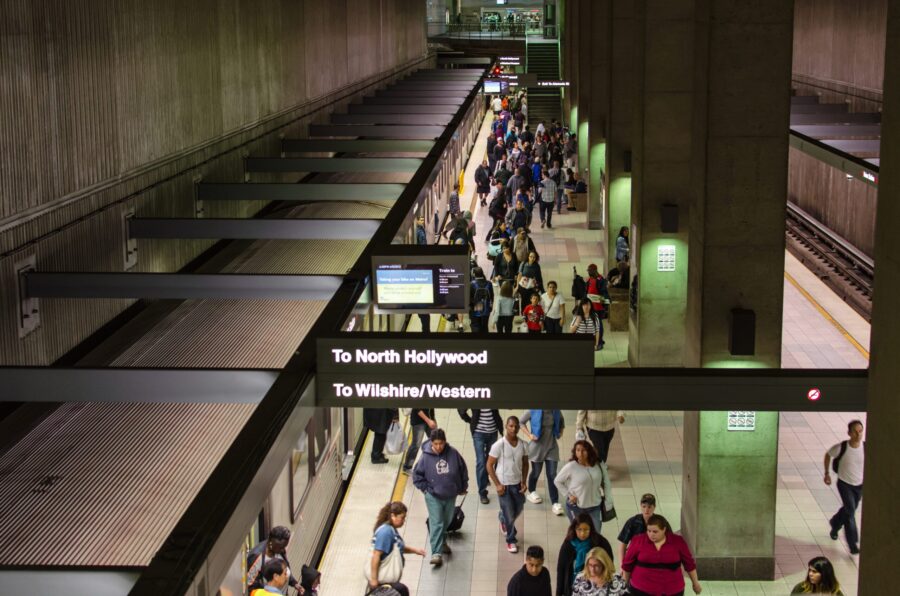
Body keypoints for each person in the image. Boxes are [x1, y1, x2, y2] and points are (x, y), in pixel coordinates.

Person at [412, 428, 469, 567]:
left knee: (446, 520)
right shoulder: (425, 457)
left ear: (445, 442)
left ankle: (442, 542)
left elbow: (462, 470)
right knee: (437, 522)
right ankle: (436, 553)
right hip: (433, 496)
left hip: (450, 495)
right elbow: (417, 476)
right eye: (436, 444)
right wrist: (426, 489)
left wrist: (462, 487)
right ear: (431, 442)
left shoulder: (453, 453)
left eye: (441, 443)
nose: (438, 447)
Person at [622, 514, 702, 596]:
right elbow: (627, 565)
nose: (651, 534)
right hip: (641, 590)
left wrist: (695, 583)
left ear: (664, 529)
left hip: (673, 590)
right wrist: (624, 585)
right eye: (648, 531)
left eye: (655, 532)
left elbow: (689, 564)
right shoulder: (638, 540)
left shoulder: (677, 541)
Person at [487, 416, 529, 553]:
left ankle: (502, 518)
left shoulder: (523, 445)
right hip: (504, 485)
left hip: (517, 484)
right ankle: (511, 540)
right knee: (510, 513)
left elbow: (525, 463)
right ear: (506, 426)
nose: (514, 429)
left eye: (516, 426)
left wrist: (524, 481)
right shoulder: (499, 445)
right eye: (511, 426)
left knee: (518, 508)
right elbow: (489, 465)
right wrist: (497, 484)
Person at [824, 419, 865, 554]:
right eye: (855, 431)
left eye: (860, 431)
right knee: (850, 512)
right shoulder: (842, 447)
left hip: (859, 485)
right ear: (849, 433)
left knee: (848, 510)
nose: (858, 434)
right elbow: (828, 455)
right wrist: (827, 474)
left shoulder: (865, 447)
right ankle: (852, 544)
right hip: (844, 484)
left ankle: (835, 523)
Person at [554, 440, 613, 531]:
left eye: (583, 450)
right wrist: (569, 495)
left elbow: (607, 483)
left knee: (596, 533)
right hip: (576, 507)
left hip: (595, 506)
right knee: (578, 534)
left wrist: (608, 501)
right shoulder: (571, 466)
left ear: (589, 451)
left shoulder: (599, 465)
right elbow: (557, 481)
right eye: (578, 450)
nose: (580, 453)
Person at [368, 502, 425, 596]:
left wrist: (415, 551)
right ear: (393, 516)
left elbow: (398, 547)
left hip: (386, 580)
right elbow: (376, 555)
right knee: (401, 590)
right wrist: (374, 581)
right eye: (402, 518)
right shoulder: (385, 532)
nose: (403, 521)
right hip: (381, 581)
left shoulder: (390, 529)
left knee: (401, 590)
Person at [557, 514, 614, 596]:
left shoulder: (600, 542)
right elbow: (561, 569)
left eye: (586, 530)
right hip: (572, 586)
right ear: (574, 529)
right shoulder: (568, 543)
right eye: (579, 530)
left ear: (591, 529)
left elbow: (609, 564)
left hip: (597, 587)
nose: (582, 533)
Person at [521, 409, 564, 512]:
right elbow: (521, 422)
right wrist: (529, 435)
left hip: (551, 446)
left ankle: (555, 502)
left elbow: (562, 422)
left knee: (552, 474)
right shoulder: (533, 409)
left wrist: (560, 432)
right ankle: (532, 491)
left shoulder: (556, 410)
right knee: (536, 472)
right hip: (537, 446)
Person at [458, 408, 503, 504]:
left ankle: (485, 477)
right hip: (479, 433)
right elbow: (461, 409)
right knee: (481, 462)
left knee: (490, 460)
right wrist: (470, 420)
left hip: (493, 431)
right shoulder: (478, 395)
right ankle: (482, 492)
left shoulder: (494, 395)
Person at [247, 526, 302, 594]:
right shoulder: (256, 557)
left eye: (284, 547)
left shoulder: (279, 549)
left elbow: (283, 570)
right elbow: (249, 585)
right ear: (271, 541)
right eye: (281, 547)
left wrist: (294, 583)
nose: (283, 550)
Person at [616, 493, 657, 565]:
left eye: (649, 507)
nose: (646, 510)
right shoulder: (632, 522)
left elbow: (670, 541)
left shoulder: (661, 522)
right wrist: (622, 564)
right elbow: (623, 544)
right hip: (636, 558)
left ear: (654, 507)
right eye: (644, 506)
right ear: (640, 506)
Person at [401, 407, 436, 474]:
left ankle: (433, 464)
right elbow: (417, 408)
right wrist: (428, 421)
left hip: (429, 419)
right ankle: (407, 467)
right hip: (418, 422)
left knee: (435, 441)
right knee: (416, 444)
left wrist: (433, 419)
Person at [585, 264, 609, 347]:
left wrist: (604, 304)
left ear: (594, 270)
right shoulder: (589, 279)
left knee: (598, 325)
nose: (588, 272)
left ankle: (599, 342)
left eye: (590, 271)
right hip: (590, 307)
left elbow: (604, 295)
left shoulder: (601, 280)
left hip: (598, 308)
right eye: (588, 271)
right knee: (593, 324)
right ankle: (595, 340)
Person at [470, 267, 494, 334]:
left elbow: (469, 298)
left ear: (474, 274)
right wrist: (490, 308)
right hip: (486, 309)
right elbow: (492, 297)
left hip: (475, 310)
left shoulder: (472, 284)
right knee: (485, 327)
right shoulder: (489, 284)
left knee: (475, 327)